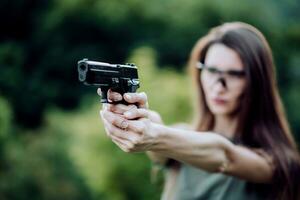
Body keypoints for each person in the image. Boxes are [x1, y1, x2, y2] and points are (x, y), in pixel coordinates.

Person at [98, 22, 300, 200]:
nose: (218, 85)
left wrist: (155, 134)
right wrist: (141, 119)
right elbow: (162, 142)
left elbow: (225, 156)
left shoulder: (276, 163)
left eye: (235, 74)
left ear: (256, 82)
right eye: (211, 70)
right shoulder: (181, 138)